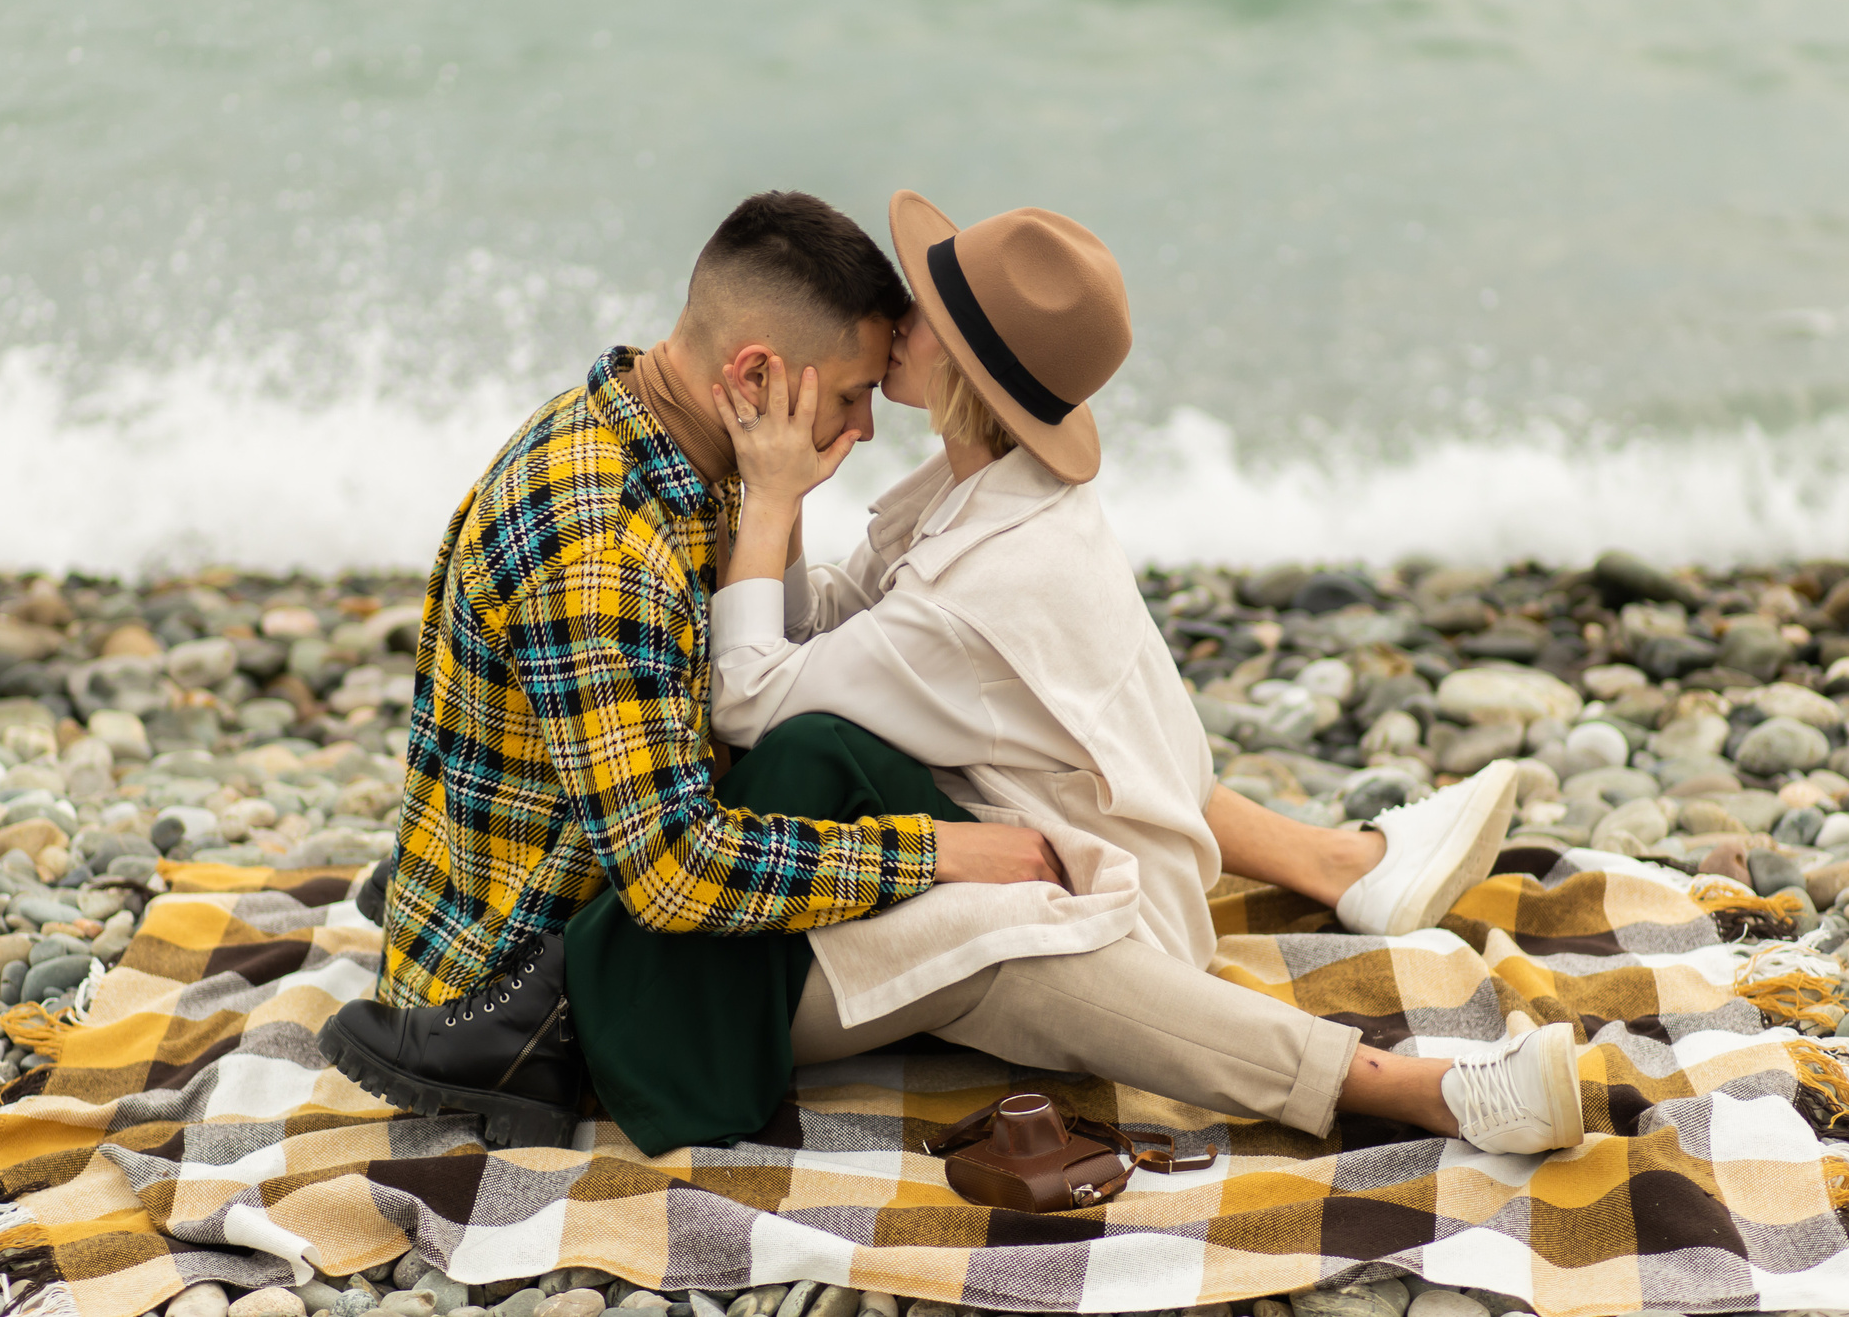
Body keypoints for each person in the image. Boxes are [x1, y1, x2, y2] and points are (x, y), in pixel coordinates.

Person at [552, 193, 1587, 1161]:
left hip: (1092, 904)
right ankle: (1347, 878)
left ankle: (1427, 1092)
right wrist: (777, 494)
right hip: (1044, 836)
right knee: (827, 750)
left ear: (956, 370)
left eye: (921, 312)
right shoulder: (990, 491)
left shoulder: (983, 581)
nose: (895, 318)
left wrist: (771, 496)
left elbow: (751, 693)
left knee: (977, 916)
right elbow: (819, 641)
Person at [319, 191, 1062, 1148]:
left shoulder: (664, 431)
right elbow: (674, 876)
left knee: (828, 742)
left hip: (581, 851)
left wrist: (776, 498)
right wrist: (935, 852)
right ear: (755, 372)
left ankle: (447, 885)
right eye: (850, 394)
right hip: (550, 973)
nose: (868, 427)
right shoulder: (603, 547)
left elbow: (754, 666)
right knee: (847, 780)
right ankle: (506, 1005)